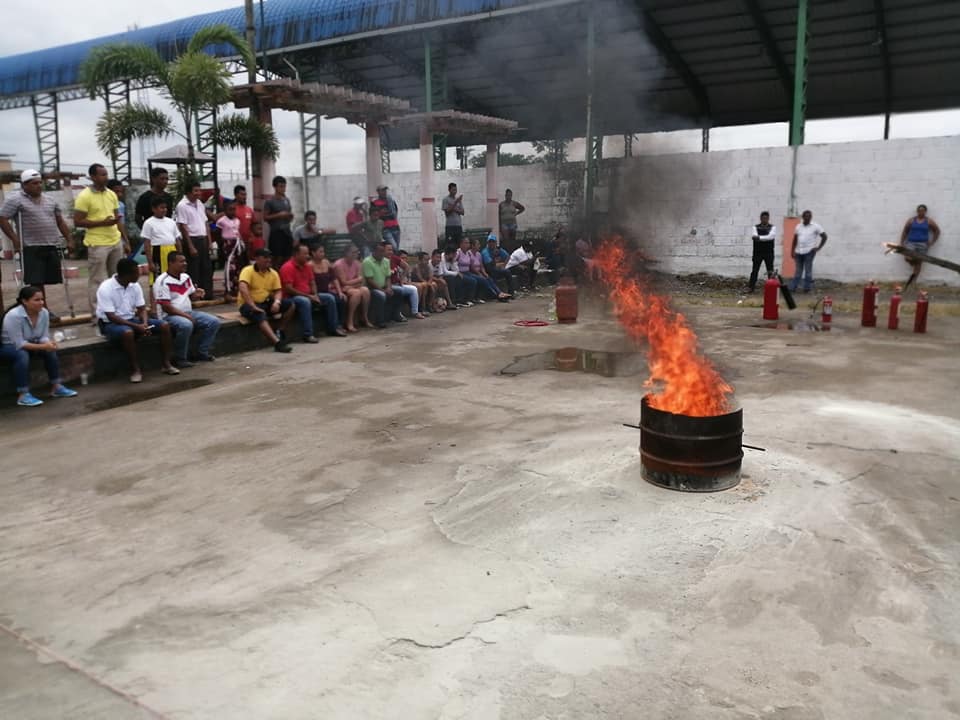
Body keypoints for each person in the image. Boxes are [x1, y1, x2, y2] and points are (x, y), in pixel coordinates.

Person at [0, 169, 74, 322]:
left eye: (40, 183)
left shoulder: (50, 200)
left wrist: (69, 238)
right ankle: (43, 311)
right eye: (34, 183)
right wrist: (14, 239)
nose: (39, 186)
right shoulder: (15, 199)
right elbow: (2, 218)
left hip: (51, 244)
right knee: (36, 281)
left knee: (48, 279)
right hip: (31, 246)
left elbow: (60, 221)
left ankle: (34, 308)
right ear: (24, 185)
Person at [96, 258, 178, 383]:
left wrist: (144, 323)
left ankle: (167, 364)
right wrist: (136, 327)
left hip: (131, 320)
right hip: (110, 324)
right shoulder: (106, 288)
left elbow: (142, 309)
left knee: (164, 325)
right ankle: (135, 370)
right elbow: (111, 316)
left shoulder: (135, 285)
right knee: (127, 333)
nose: (139, 275)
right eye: (136, 272)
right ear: (127, 275)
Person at [0, 286, 78, 407]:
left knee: (50, 351)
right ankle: (23, 395)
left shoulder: (44, 313)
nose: (41, 302)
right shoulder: (14, 316)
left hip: (30, 343)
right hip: (8, 346)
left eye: (42, 299)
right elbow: (19, 344)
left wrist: (49, 343)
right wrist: (43, 346)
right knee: (22, 355)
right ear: (24, 301)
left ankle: (56, 386)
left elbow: (43, 336)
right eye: (36, 300)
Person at [75, 163, 129, 320]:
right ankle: (98, 316)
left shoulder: (111, 194)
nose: (106, 177)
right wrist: (102, 223)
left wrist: (125, 240)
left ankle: (117, 312)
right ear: (93, 177)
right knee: (98, 280)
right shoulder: (84, 196)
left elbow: (117, 220)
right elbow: (78, 221)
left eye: (106, 174)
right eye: (102, 174)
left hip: (115, 241)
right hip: (97, 243)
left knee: (117, 278)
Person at [153, 251, 221, 366]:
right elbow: (166, 307)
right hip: (169, 316)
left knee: (214, 321)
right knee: (186, 325)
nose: (185, 263)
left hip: (188, 312)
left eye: (185, 261)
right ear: (171, 263)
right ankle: (180, 358)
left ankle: (201, 352)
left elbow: (191, 296)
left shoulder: (186, 277)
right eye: (181, 261)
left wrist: (197, 294)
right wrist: (187, 316)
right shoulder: (162, 281)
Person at [280, 244, 347, 342]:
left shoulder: (306, 266)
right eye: (305, 254)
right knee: (305, 301)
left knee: (329, 298)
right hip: (293, 297)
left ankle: (333, 328)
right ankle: (308, 334)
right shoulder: (287, 267)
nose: (307, 256)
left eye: (307, 253)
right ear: (296, 254)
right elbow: (288, 289)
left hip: (309, 295)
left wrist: (315, 295)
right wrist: (309, 296)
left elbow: (312, 282)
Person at [237, 248, 294, 353]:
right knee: (260, 314)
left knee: (290, 305)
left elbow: (278, 291)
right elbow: (243, 288)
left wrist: (277, 302)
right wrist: (252, 305)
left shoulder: (273, 273)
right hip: (247, 304)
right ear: (257, 259)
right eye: (265, 257)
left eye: (269, 257)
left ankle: (280, 330)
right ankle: (277, 343)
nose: (268, 260)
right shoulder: (247, 270)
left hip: (265, 302)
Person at [175, 181, 214, 299]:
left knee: (206, 268)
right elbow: (183, 226)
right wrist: (190, 246)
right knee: (193, 269)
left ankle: (207, 294)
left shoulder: (200, 204)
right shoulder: (182, 205)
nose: (198, 193)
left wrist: (209, 241)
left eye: (199, 190)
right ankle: (194, 295)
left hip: (203, 238)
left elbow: (205, 223)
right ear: (188, 192)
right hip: (192, 239)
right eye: (195, 191)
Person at [899, 204, 942, 291]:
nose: (921, 212)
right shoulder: (911, 220)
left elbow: (937, 231)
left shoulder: (929, 221)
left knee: (919, 263)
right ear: (917, 211)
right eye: (919, 210)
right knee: (907, 258)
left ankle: (913, 281)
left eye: (923, 210)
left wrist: (932, 242)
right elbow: (905, 231)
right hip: (911, 243)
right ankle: (914, 263)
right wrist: (902, 242)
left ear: (925, 211)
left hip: (923, 244)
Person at [362, 241, 403, 327]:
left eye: (383, 251)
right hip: (372, 288)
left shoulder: (386, 261)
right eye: (380, 251)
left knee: (399, 291)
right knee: (381, 295)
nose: (382, 253)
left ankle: (395, 315)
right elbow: (370, 280)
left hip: (384, 286)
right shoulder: (367, 261)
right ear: (374, 251)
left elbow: (388, 277)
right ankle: (380, 321)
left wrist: (388, 287)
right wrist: (383, 290)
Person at [311, 244, 349, 336]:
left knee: (341, 298)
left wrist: (339, 292)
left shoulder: (326, 262)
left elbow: (334, 278)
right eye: (320, 252)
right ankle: (333, 328)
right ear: (313, 253)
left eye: (323, 251)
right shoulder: (310, 265)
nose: (323, 254)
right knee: (330, 298)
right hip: (316, 292)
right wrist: (315, 295)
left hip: (327, 291)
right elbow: (311, 282)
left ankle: (339, 324)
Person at [333, 244, 372, 332]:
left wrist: (353, 284)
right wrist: (357, 280)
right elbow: (343, 282)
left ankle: (364, 317)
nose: (356, 254)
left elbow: (361, 281)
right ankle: (349, 321)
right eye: (353, 252)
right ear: (347, 253)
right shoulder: (339, 264)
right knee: (356, 293)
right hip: (340, 288)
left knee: (365, 290)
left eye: (357, 252)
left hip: (352, 287)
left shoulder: (357, 263)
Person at [141, 197, 181, 282]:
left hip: (172, 250)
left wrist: (180, 254)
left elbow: (177, 239)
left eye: (165, 207)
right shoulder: (148, 223)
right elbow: (147, 243)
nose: (164, 210)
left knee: (173, 277)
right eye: (161, 208)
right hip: (157, 251)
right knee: (158, 278)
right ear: (154, 209)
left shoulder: (171, 222)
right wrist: (150, 262)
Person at [790, 210, 828, 293]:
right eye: (806, 216)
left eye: (809, 216)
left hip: (809, 252)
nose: (807, 218)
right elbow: (795, 240)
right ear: (803, 217)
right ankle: (793, 288)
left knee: (808, 271)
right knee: (798, 271)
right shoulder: (798, 226)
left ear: (811, 217)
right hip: (798, 252)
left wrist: (818, 247)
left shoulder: (816, 226)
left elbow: (824, 236)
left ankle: (807, 288)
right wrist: (792, 251)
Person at [385, 244, 424, 319]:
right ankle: (398, 313)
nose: (391, 252)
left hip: (397, 284)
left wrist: (401, 279)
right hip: (388, 285)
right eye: (389, 250)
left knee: (413, 289)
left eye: (391, 250)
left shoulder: (394, 258)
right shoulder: (382, 261)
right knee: (399, 290)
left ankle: (415, 312)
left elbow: (406, 267)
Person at [264, 175, 294, 266]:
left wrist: (290, 216)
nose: (283, 189)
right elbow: (265, 217)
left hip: (287, 232)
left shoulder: (286, 200)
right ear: (275, 187)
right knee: (277, 258)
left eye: (284, 186)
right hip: (276, 232)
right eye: (281, 186)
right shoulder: (269, 201)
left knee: (288, 256)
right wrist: (279, 215)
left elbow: (289, 214)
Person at [469, 236, 511, 301]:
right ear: (473, 246)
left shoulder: (478, 254)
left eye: (493, 242)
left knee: (490, 278)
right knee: (485, 279)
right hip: (474, 272)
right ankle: (497, 295)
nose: (479, 246)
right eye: (478, 244)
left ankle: (501, 293)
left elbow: (481, 266)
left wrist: (484, 273)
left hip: (482, 271)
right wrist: (479, 273)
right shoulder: (478, 252)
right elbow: (472, 266)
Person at [217, 200, 243, 302]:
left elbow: (238, 233)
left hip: (237, 244)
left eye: (234, 209)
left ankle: (236, 290)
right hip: (228, 244)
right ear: (225, 210)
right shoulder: (221, 221)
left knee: (237, 267)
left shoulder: (237, 220)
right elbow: (218, 234)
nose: (232, 212)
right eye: (230, 209)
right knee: (229, 268)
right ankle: (228, 290)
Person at [747, 211, 777, 293]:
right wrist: (763, 238)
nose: (764, 220)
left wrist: (759, 238)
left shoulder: (772, 227)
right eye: (763, 218)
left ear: (768, 218)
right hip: (757, 252)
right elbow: (754, 236)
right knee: (755, 270)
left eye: (766, 218)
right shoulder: (755, 227)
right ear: (760, 218)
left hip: (769, 252)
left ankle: (772, 288)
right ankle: (751, 287)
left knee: (770, 271)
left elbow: (771, 237)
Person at [370, 184, 401, 251]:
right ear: (378, 192)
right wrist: (382, 214)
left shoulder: (391, 201)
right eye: (382, 190)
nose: (384, 192)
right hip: (385, 229)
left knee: (396, 249)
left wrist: (384, 214)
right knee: (394, 247)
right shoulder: (375, 203)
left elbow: (395, 213)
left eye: (385, 190)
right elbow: (374, 216)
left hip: (395, 227)